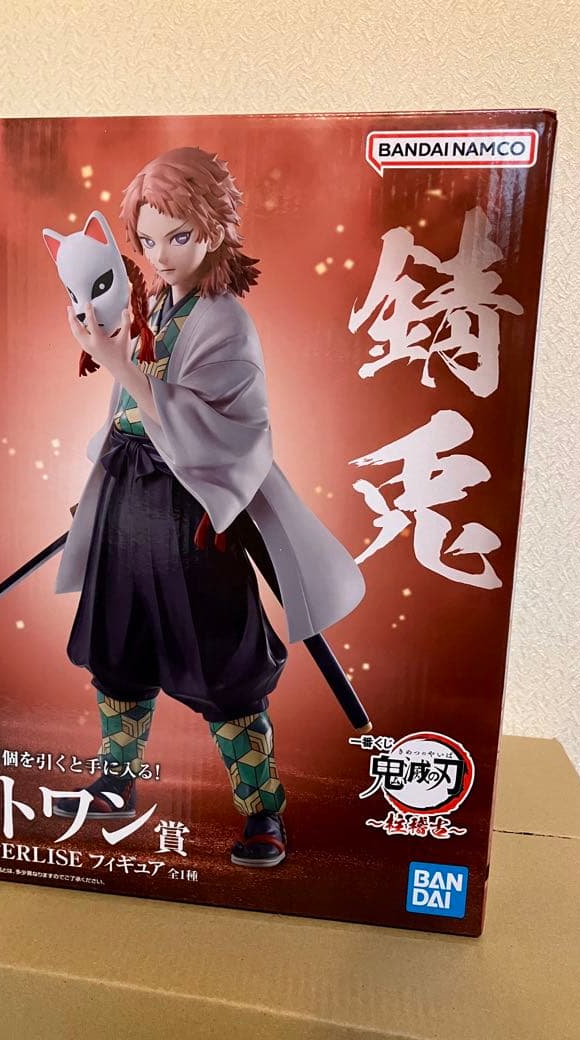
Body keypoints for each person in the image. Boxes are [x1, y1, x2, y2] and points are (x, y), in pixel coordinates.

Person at [52, 147, 365, 868]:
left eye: (178, 236)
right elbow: (127, 408)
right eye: (148, 239)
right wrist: (98, 491)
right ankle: (116, 781)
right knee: (118, 649)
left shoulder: (226, 322)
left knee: (223, 665)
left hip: (192, 512)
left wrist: (119, 361)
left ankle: (262, 811)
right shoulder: (156, 304)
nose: (160, 255)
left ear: (215, 228)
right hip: (128, 496)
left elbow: (229, 431)